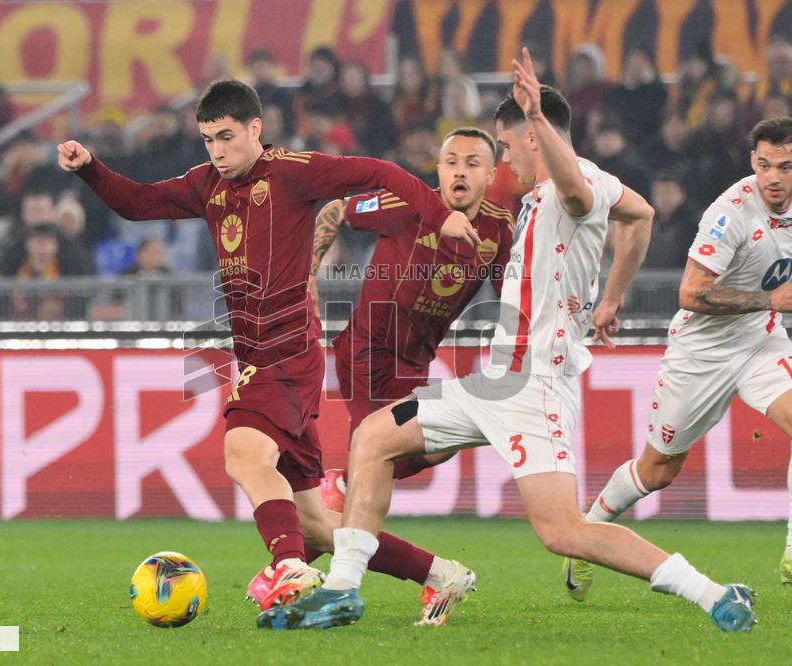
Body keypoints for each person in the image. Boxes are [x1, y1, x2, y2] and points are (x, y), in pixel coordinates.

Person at [259, 48, 756, 633]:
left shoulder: (569, 191)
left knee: (562, 532)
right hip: (495, 381)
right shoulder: (561, 194)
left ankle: (714, 593)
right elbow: (642, 215)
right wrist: (612, 297)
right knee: (372, 439)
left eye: (506, 145)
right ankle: (342, 589)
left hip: (535, 388)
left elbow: (574, 189)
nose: (503, 162)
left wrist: (538, 120)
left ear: (535, 140)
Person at [57, 79, 481, 618]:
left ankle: (288, 566)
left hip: (285, 346)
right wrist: (91, 166)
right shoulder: (205, 184)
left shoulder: (291, 172)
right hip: (259, 352)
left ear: (256, 129)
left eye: (227, 137)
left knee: (242, 452)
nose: (216, 150)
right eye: (208, 139)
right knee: (315, 524)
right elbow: (138, 203)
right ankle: (441, 575)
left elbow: (378, 171)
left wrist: (438, 213)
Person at [565, 116, 792, 601]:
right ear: (752, 163)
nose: (773, 178)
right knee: (658, 471)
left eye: (785, 167)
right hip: (701, 353)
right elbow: (690, 292)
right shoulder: (730, 214)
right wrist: (770, 300)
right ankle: (587, 533)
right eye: (763, 165)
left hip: (761, 341)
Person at [310, 129, 515, 625]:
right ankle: (311, 565)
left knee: (425, 451)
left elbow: (513, 299)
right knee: (375, 452)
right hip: (365, 352)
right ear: (438, 169)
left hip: (415, 362)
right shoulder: (405, 203)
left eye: (472, 162)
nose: (459, 171)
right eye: (450, 161)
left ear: (491, 174)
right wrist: (308, 281)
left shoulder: (499, 231)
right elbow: (332, 212)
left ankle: (330, 525)